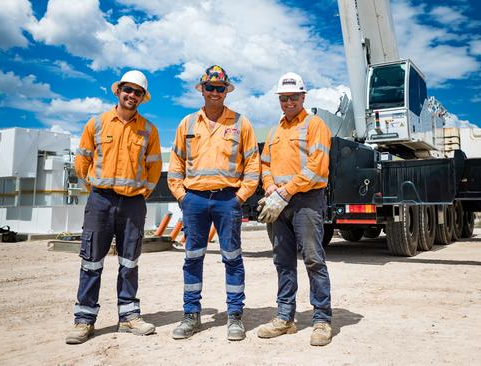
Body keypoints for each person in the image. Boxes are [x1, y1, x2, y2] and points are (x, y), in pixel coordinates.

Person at [66, 70, 162, 344]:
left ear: (143, 98)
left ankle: (129, 317)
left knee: (129, 262)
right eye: (127, 90)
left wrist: (141, 193)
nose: (132, 95)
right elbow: (82, 162)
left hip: (133, 203)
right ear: (118, 91)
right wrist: (95, 190)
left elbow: (154, 168)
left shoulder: (148, 130)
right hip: (101, 200)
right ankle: (84, 320)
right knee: (91, 261)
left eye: (137, 92)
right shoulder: (96, 124)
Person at [167, 65, 260, 341]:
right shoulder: (187, 124)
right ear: (202, 90)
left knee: (232, 258)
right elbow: (176, 164)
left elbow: (252, 163)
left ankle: (234, 317)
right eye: (210, 88)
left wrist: (240, 197)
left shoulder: (241, 123)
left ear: (226, 91)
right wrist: (182, 196)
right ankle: (191, 315)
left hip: (227, 200)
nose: (215, 93)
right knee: (192, 258)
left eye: (220, 88)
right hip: (194, 200)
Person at [257, 72, 333, 346]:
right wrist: (268, 186)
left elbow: (317, 166)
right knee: (283, 261)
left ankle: (322, 320)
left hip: (306, 201)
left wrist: (286, 191)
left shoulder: (315, 125)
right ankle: (285, 318)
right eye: (284, 98)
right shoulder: (276, 130)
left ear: (303, 97)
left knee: (313, 259)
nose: (288, 102)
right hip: (279, 201)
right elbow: (264, 163)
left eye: (293, 97)